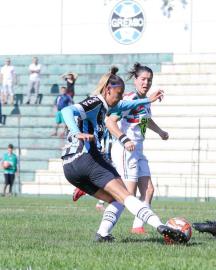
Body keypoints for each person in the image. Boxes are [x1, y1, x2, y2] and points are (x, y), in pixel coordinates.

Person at [61, 68, 186, 243]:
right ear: (107, 90)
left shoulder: (110, 104)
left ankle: (102, 234)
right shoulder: (96, 102)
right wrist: (76, 132)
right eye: (118, 94)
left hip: (70, 168)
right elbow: (66, 111)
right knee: (126, 196)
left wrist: (148, 100)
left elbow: (126, 105)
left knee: (116, 199)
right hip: (87, 158)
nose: (120, 99)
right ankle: (160, 226)